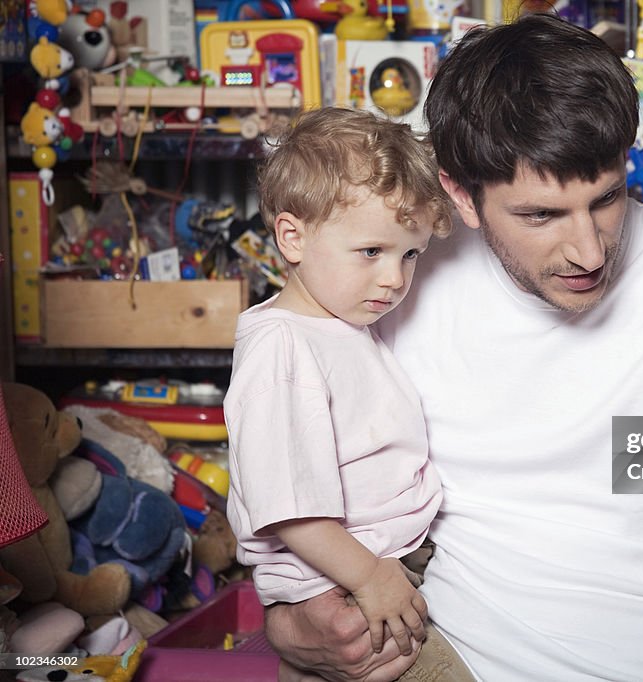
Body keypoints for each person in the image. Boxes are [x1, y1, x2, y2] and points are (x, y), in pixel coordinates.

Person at [266, 14, 643, 682]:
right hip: (439, 656)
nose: (588, 251)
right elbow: (289, 461)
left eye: (606, 198)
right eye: (541, 216)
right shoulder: (399, 278)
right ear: (460, 196)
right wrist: (291, 625)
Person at [223, 108, 474, 680]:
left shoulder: (342, 325)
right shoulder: (282, 348)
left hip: (380, 568)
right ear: (293, 236)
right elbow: (288, 508)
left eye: (409, 254)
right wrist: (369, 577)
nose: (395, 278)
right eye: (371, 252)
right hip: (349, 582)